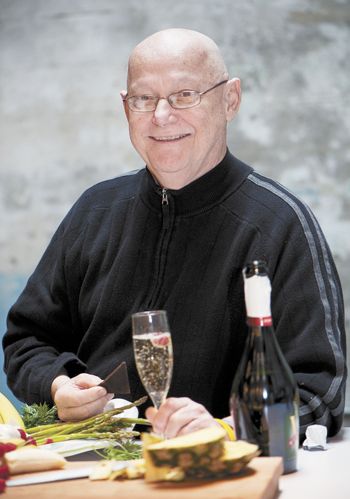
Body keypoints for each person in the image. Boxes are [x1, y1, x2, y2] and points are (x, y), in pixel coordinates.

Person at [2, 28, 347, 439]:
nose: (161, 116)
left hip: (218, 475)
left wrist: (226, 428)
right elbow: (27, 341)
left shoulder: (281, 224)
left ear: (230, 99)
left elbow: (319, 391)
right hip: (91, 467)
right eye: (144, 99)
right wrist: (58, 385)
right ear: (125, 108)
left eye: (185, 95)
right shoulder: (93, 211)